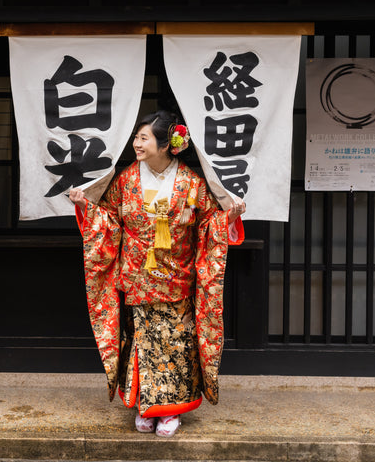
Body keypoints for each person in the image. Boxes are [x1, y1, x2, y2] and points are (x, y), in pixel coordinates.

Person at [69, 109, 245, 438]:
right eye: (136, 137)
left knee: (176, 343)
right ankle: (144, 406)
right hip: (137, 275)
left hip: (177, 275)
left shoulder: (192, 183)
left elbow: (208, 224)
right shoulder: (125, 180)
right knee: (140, 341)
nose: (136, 143)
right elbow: (107, 220)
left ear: (166, 144)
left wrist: (229, 217)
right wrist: (86, 208)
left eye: (143, 137)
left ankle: (171, 411)